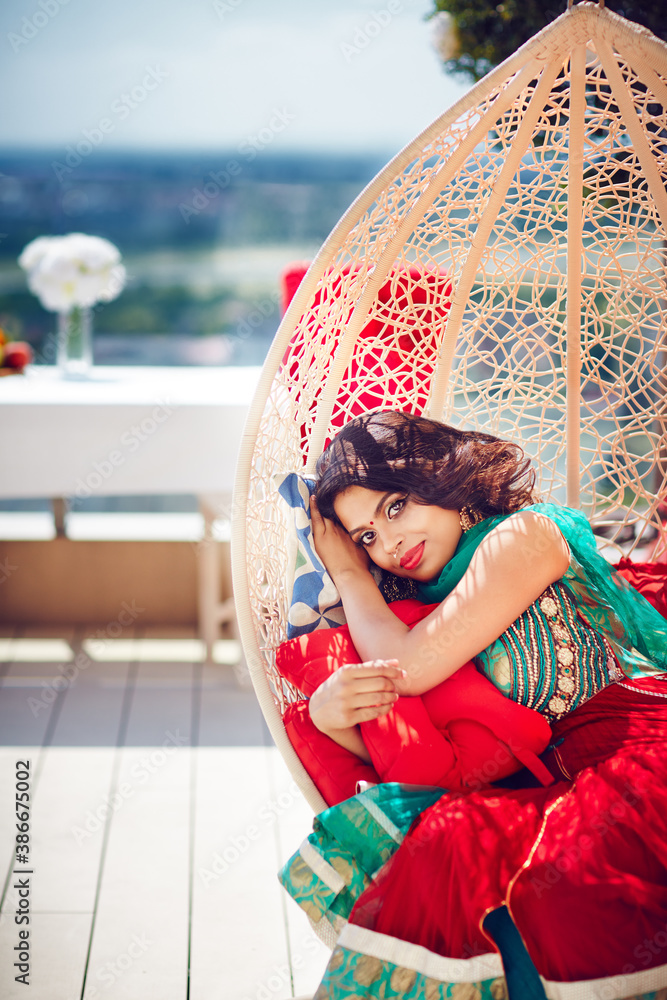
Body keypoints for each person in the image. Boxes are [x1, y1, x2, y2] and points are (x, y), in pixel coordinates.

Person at [279, 409, 667, 1000]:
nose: (388, 544)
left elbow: (404, 670)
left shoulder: (525, 536)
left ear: (440, 478)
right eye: (366, 539)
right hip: (557, 773)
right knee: (452, 847)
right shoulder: (417, 607)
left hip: (639, 735)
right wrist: (328, 717)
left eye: (394, 507)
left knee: (539, 873)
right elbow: (421, 734)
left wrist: (349, 574)